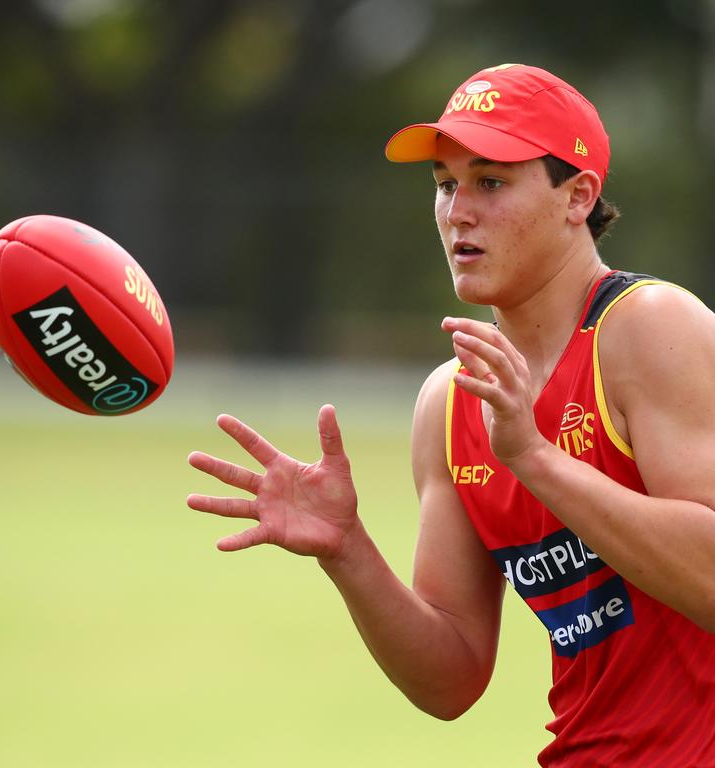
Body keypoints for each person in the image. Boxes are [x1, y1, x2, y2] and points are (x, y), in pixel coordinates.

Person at [187, 63, 715, 766]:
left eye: (490, 182)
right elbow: (452, 679)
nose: (457, 211)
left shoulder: (648, 327)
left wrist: (534, 460)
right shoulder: (450, 402)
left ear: (578, 196)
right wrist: (349, 552)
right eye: (445, 185)